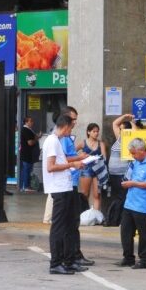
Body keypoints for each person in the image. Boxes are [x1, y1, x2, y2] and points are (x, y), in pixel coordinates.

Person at [43, 114, 87, 275]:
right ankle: (55, 263)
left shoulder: (56, 141)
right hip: (58, 189)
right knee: (59, 227)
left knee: (68, 224)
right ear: (66, 126)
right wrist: (72, 164)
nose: (71, 132)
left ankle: (68, 260)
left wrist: (73, 164)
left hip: (65, 187)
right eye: (71, 128)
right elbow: (51, 167)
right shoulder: (53, 141)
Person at [118, 138, 146, 269]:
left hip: (143, 204)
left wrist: (133, 183)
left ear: (142, 151)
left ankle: (144, 259)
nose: (133, 156)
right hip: (129, 202)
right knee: (125, 231)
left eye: (134, 153)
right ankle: (128, 257)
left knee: (144, 233)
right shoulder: (135, 162)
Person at [60, 106, 94, 266]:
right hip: (66, 184)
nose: (75, 123)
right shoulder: (60, 138)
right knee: (69, 222)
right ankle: (70, 256)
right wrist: (78, 158)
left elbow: (68, 156)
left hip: (72, 181)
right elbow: (61, 159)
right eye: (72, 119)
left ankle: (74, 253)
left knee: (74, 221)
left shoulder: (67, 138)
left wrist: (79, 157)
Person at [78, 123, 107, 211]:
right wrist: (80, 157)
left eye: (97, 131)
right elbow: (72, 153)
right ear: (88, 132)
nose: (96, 133)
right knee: (85, 194)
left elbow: (104, 157)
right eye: (94, 131)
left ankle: (95, 216)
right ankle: (84, 214)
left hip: (98, 170)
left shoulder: (101, 143)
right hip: (86, 169)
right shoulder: (83, 142)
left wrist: (100, 157)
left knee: (97, 195)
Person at [19, 117, 38, 193]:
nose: (32, 122)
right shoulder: (26, 130)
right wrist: (36, 138)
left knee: (26, 170)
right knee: (26, 170)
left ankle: (24, 186)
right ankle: (25, 186)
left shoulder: (28, 130)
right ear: (26, 122)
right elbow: (30, 143)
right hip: (26, 154)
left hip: (28, 154)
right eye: (31, 121)